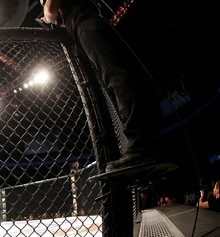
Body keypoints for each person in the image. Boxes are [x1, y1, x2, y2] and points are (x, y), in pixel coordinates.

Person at [40, 0, 170, 175]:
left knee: (117, 79)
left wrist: (47, 17)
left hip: (86, 24)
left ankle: (141, 147)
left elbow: (50, 10)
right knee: (117, 78)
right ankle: (149, 145)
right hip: (88, 24)